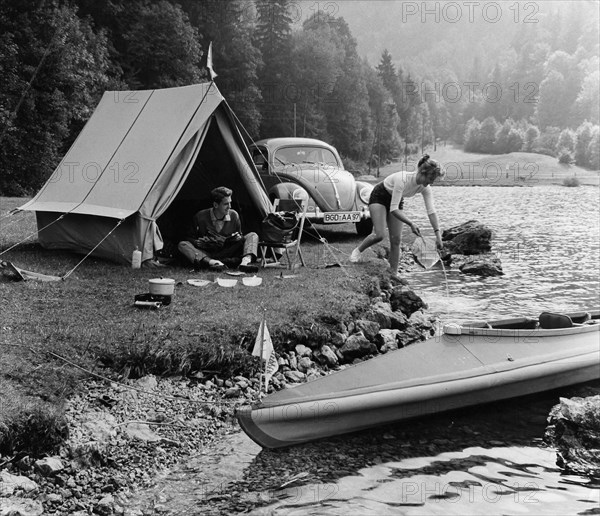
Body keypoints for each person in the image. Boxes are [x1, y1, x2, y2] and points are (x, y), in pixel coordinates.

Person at [349, 154, 445, 281]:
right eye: (431, 178)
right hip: (380, 195)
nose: (432, 182)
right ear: (423, 172)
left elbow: (431, 211)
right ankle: (356, 252)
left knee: (396, 240)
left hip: (396, 199)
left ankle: (393, 275)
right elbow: (394, 209)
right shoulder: (403, 179)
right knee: (380, 235)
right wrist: (411, 223)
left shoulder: (425, 188)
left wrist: (438, 235)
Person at [178, 186, 259, 272]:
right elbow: (188, 237)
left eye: (230, 203)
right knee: (182, 244)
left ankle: (245, 263)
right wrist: (197, 242)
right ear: (215, 205)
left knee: (253, 235)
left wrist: (236, 238)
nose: (229, 206)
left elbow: (240, 237)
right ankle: (215, 263)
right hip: (208, 253)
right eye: (226, 204)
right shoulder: (200, 216)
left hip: (228, 251)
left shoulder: (234, 215)